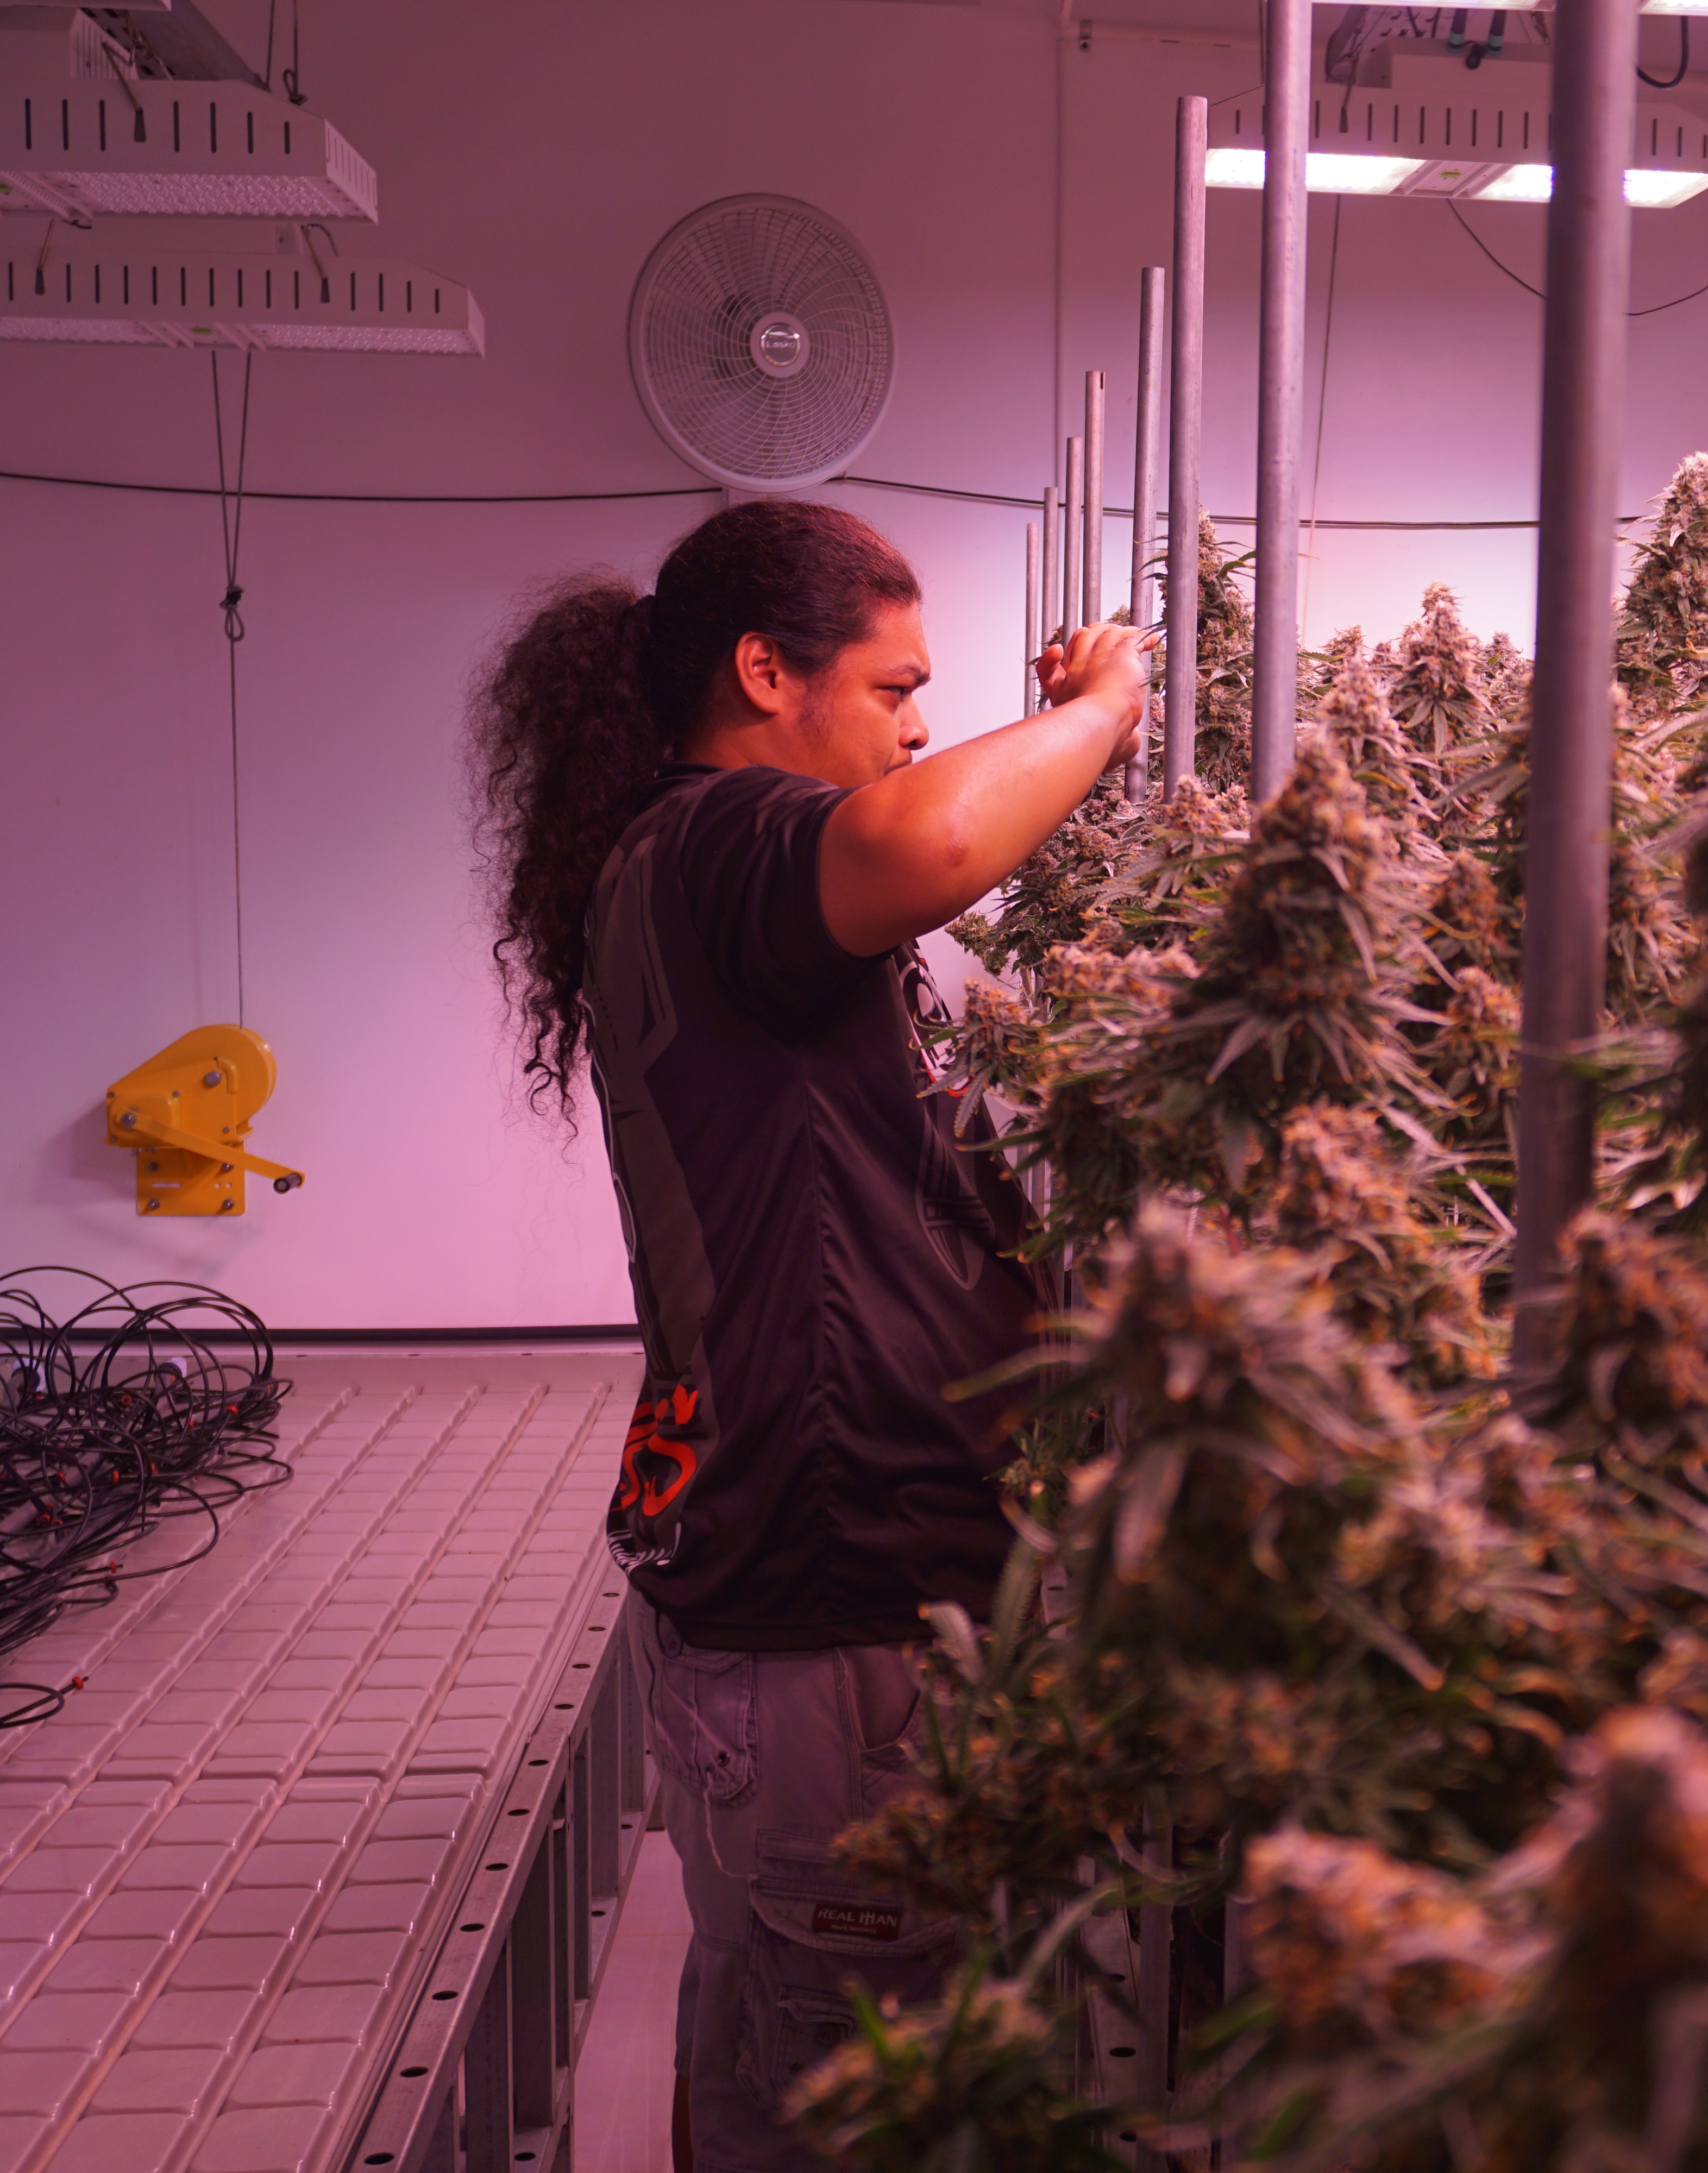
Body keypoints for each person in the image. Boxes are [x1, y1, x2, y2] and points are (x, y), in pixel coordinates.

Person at [469, 499, 1147, 2171]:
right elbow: (931, 842)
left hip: (826, 1594)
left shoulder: (696, 870)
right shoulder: (720, 843)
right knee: (849, 2095)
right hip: (820, 1611)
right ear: (767, 672)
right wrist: (1103, 709)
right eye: (898, 686)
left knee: (794, 2044)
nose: (919, 726)